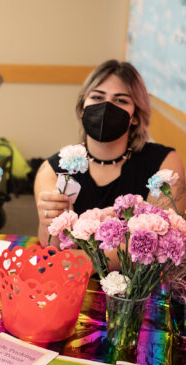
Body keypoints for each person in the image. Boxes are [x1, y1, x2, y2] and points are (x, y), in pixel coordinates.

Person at [35, 59, 186, 246]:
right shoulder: (53, 168)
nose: (107, 107)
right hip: (75, 274)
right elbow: (53, 246)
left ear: (136, 117)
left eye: (121, 100)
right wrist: (47, 221)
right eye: (97, 97)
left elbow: (161, 246)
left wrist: (78, 259)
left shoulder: (164, 164)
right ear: (82, 108)